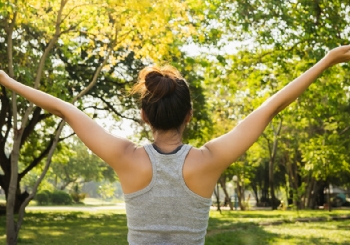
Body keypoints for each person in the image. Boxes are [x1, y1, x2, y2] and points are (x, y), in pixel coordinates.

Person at [1, 45, 350, 244]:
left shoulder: (125, 158)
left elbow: (64, 108)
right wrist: (328, 59)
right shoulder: (209, 160)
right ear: (190, 115)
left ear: (143, 116)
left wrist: (5, 79)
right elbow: (271, 106)